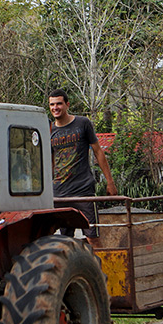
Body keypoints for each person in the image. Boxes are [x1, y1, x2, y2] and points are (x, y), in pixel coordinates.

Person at [48, 88, 116, 239]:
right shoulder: (50, 129)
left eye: (59, 104)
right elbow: (51, 160)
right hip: (60, 193)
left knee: (93, 237)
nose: (55, 108)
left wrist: (110, 182)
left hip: (83, 190)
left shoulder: (82, 123)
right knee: (66, 239)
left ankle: (98, 263)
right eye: (52, 105)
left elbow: (98, 151)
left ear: (67, 104)